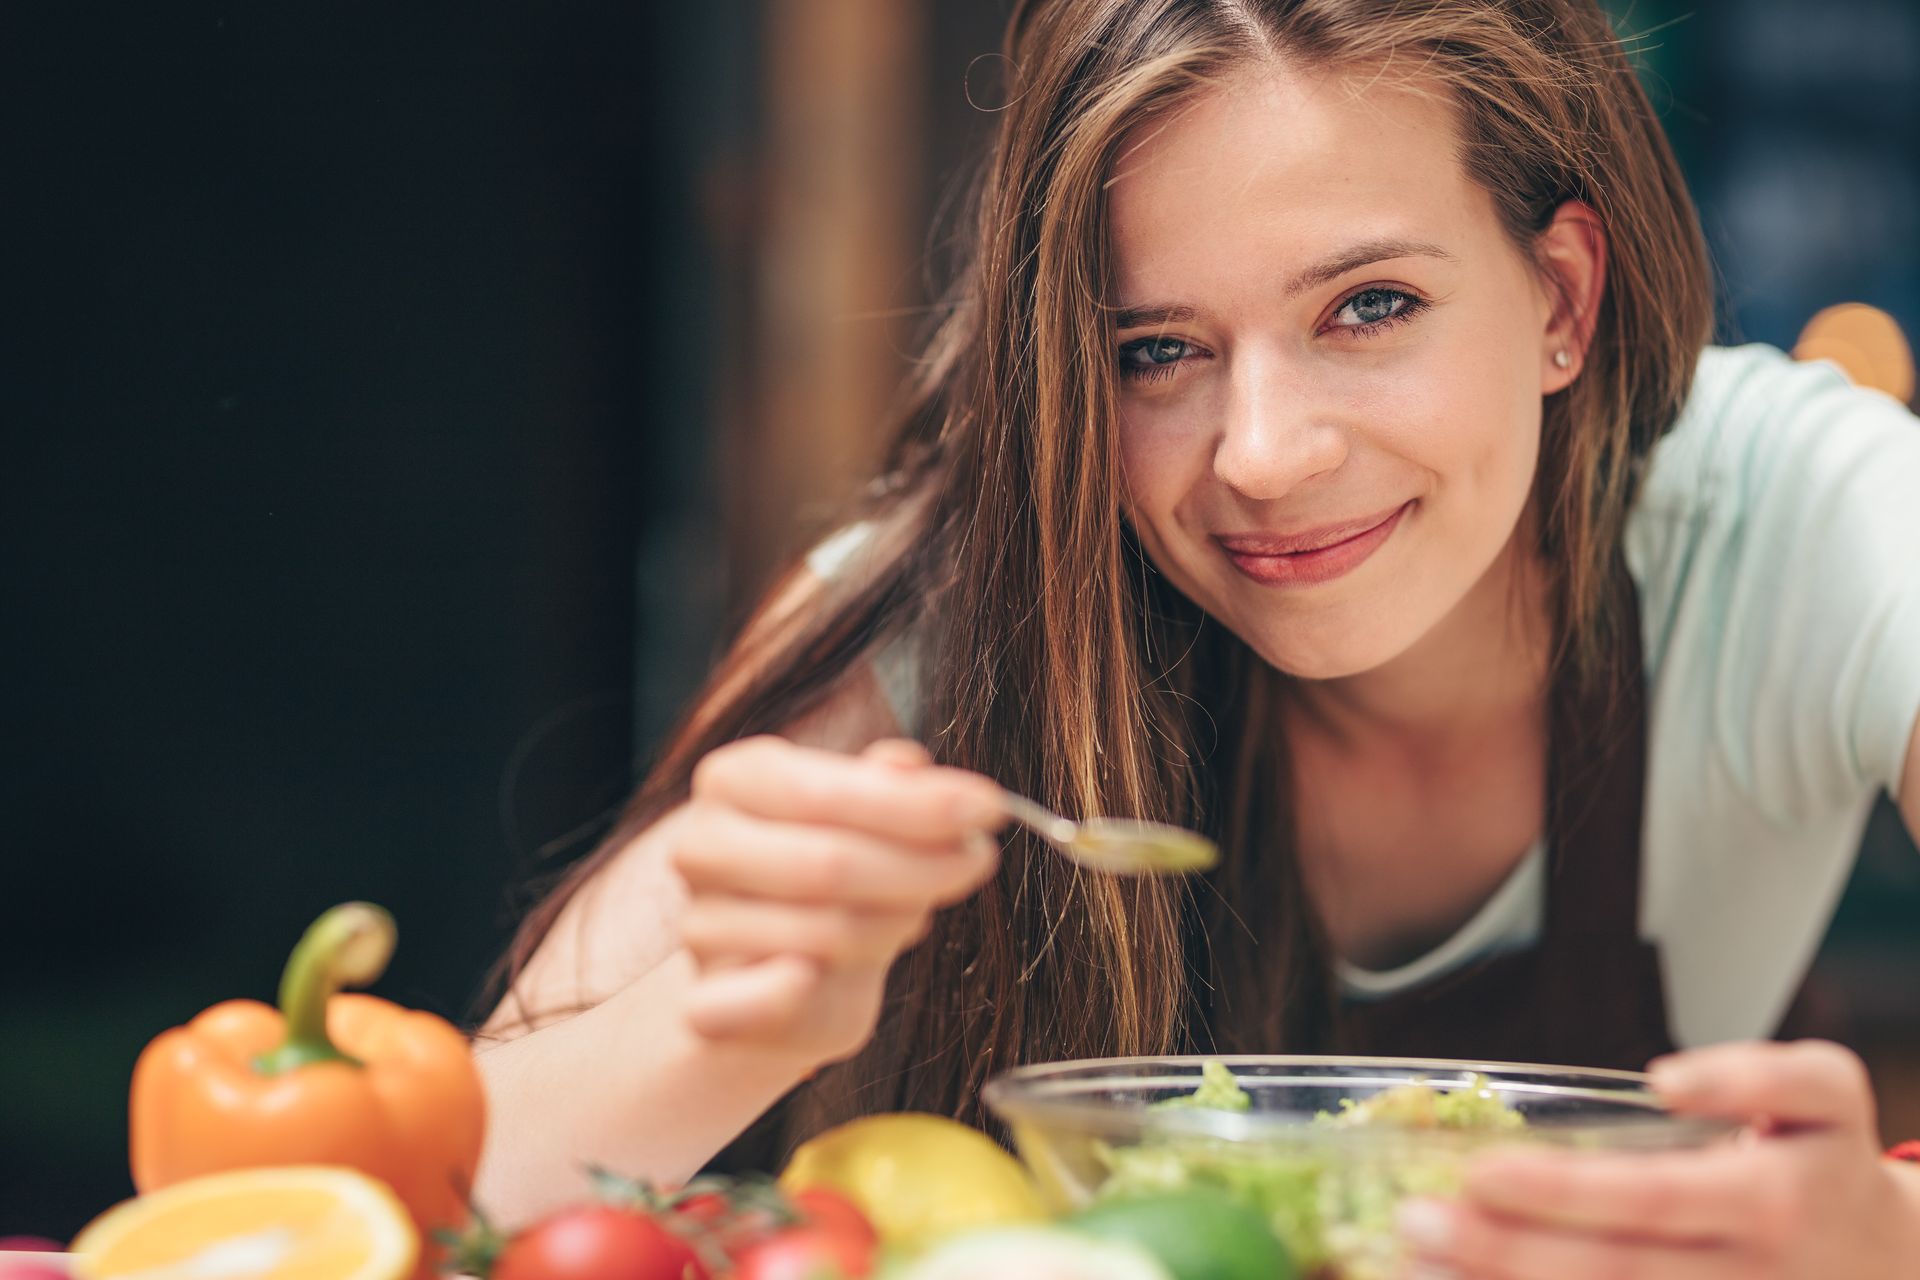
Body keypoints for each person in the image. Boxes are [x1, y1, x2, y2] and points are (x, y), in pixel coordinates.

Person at [472, 0, 1920, 1273]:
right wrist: (733, 1023)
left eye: (1370, 307)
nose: (1264, 456)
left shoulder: (1817, 523)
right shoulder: (948, 605)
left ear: (1561, 296)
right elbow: (442, 1194)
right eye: (1156, 350)